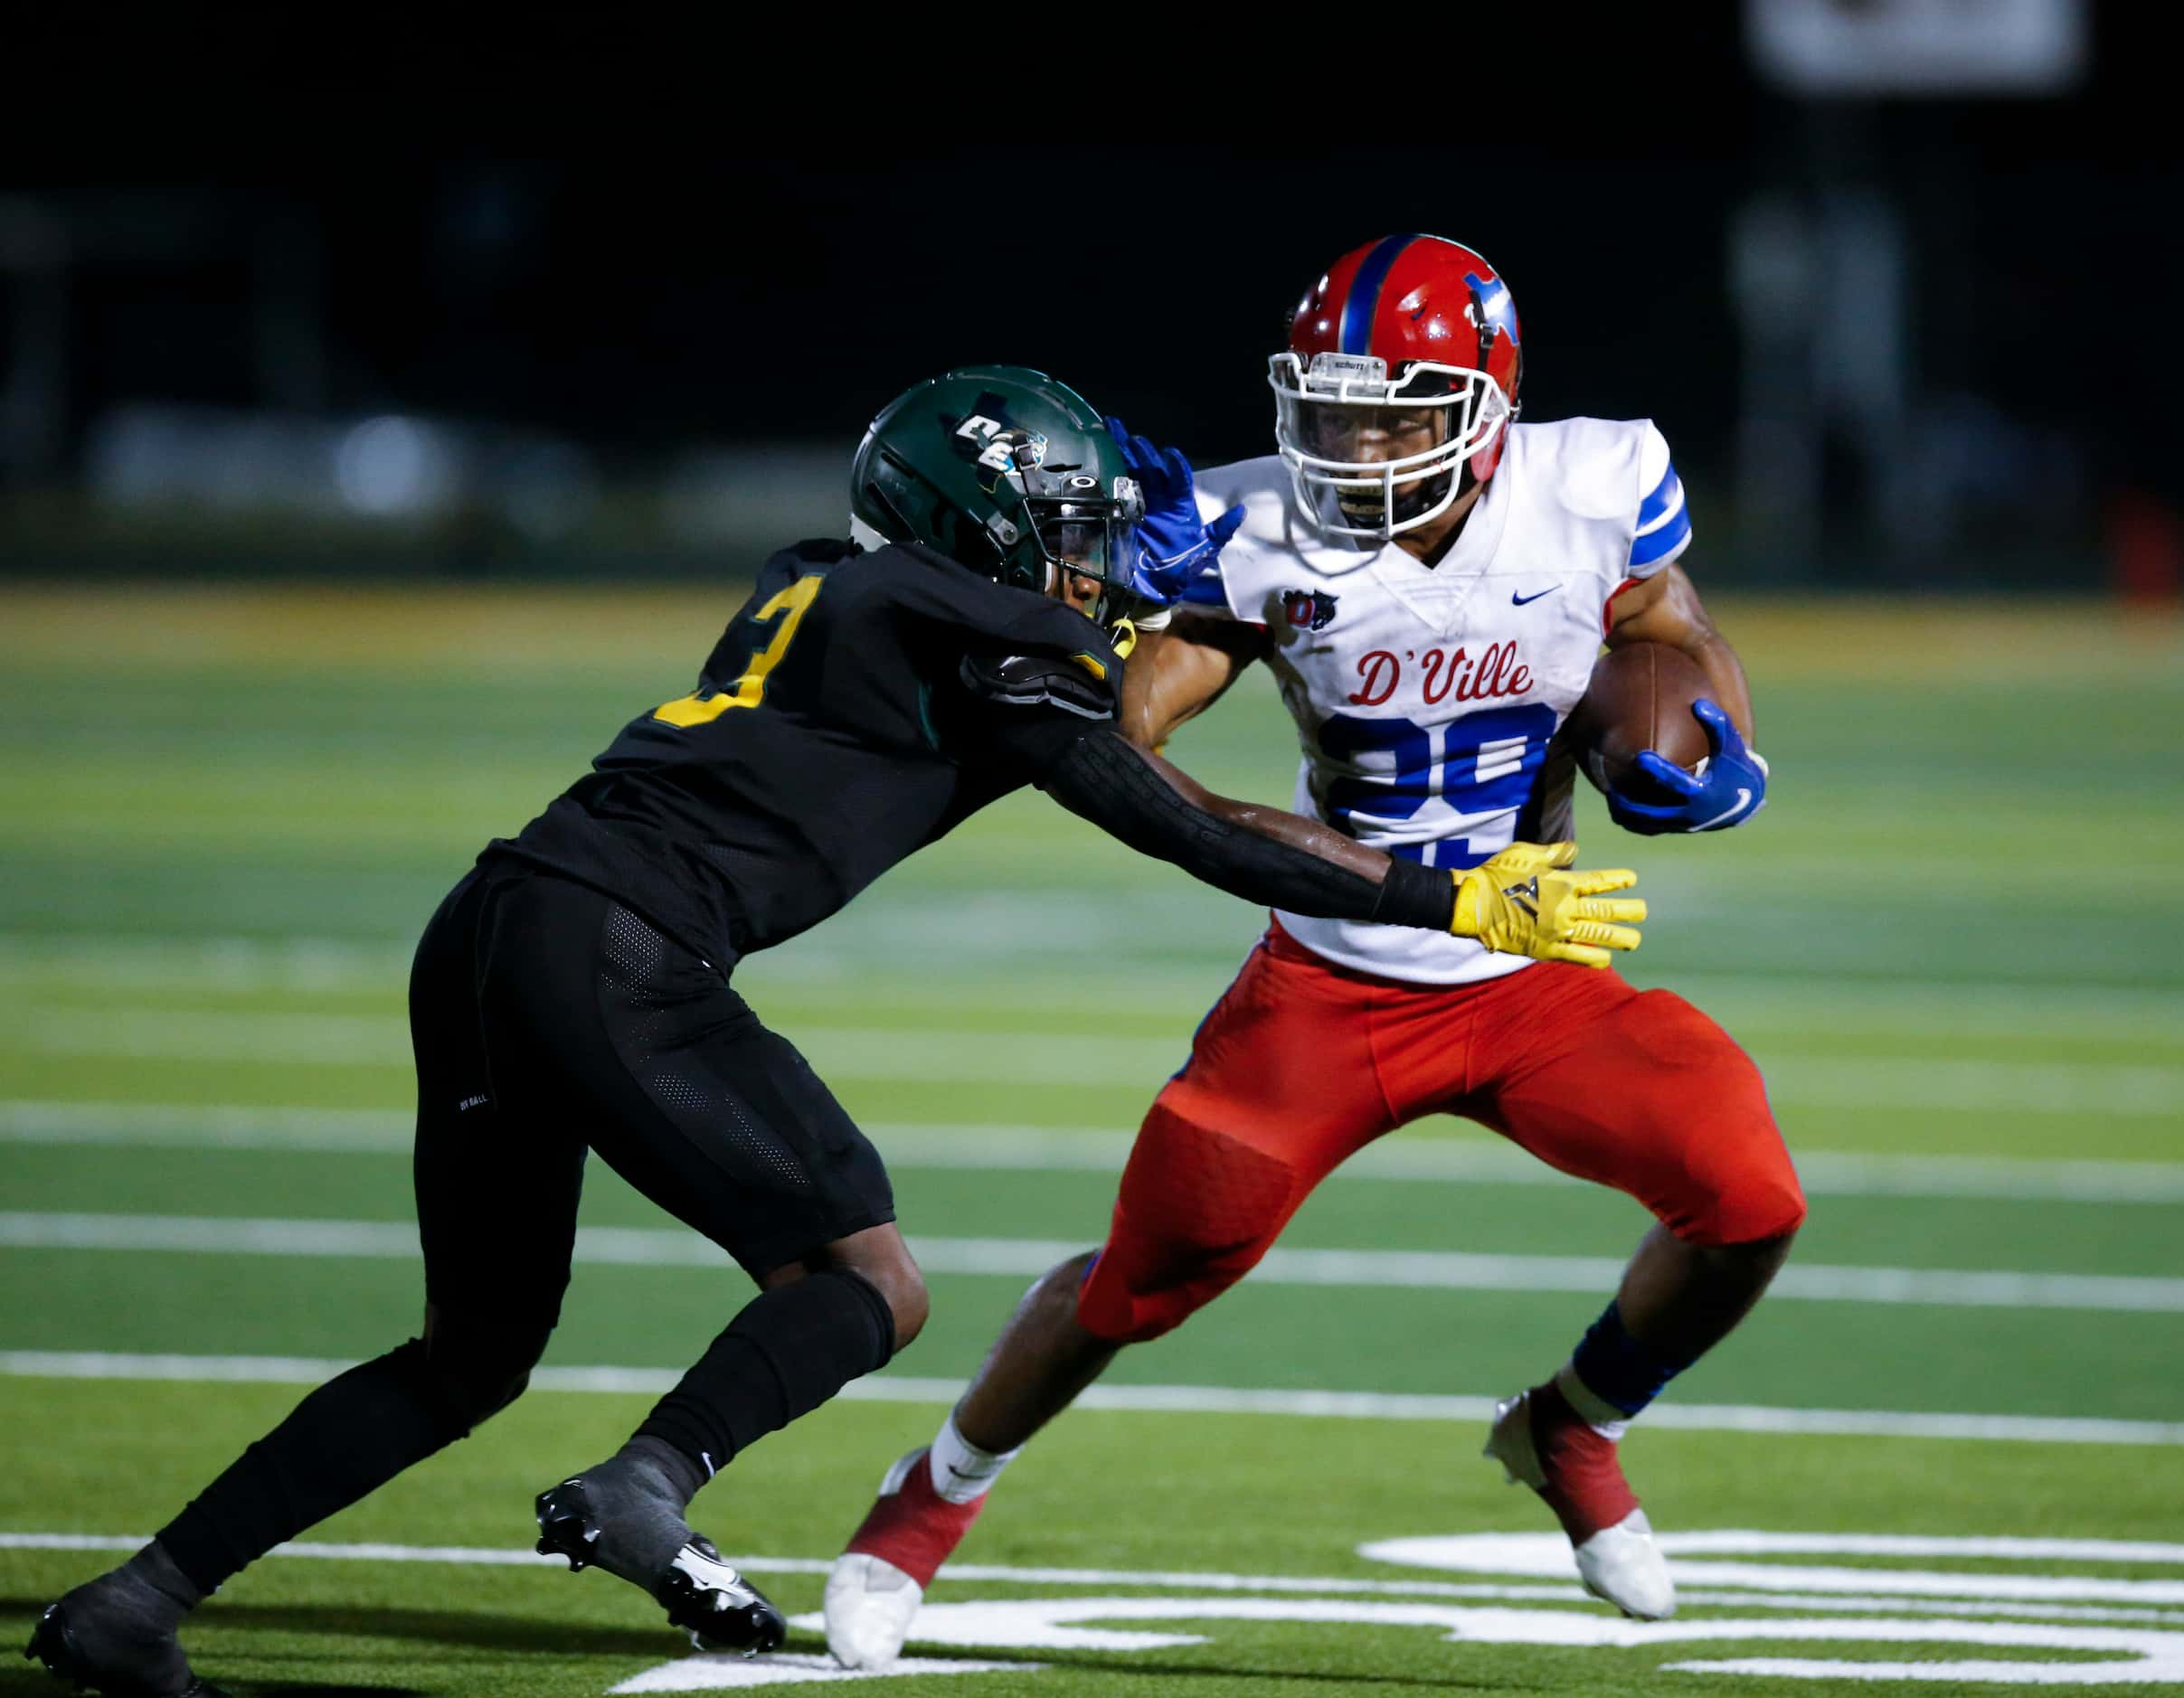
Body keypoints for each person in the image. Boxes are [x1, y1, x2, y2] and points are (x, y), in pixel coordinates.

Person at [24, 364, 1642, 1698]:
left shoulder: (823, 575)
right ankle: (646, 1485)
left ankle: (137, 1600)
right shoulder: (980, 629)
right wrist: (1454, 900)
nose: (1097, 565)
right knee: (875, 1281)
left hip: (493, 924)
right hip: (622, 951)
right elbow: (1176, 820)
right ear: (985, 531)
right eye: (1068, 532)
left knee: (471, 1351)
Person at [827, 243, 1804, 1672]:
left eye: (1399, 411)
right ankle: (924, 1503)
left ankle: (1572, 1425)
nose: (1357, 443)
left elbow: (1665, 622)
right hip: (1335, 972)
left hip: (1531, 967)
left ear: (1490, 402)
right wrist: (1087, 658)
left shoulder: (1591, 483)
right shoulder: (1254, 526)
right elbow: (1132, 728)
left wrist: (1708, 728)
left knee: (1749, 1195)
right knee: (1137, 1280)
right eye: (1332, 409)